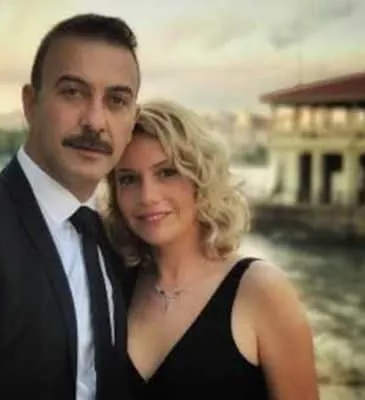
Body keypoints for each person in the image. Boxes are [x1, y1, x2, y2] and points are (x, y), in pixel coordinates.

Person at [0, 13, 140, 399]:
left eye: (116, 100)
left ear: (133, 119)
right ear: (31, 104)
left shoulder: (114, 243)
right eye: (73, 92)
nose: (95, 121)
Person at [103, 100, 320, 399]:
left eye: (167, 172)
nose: (148, 196)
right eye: (128, 179)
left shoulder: (261, 290)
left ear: (201, 178)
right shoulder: (113, 286)